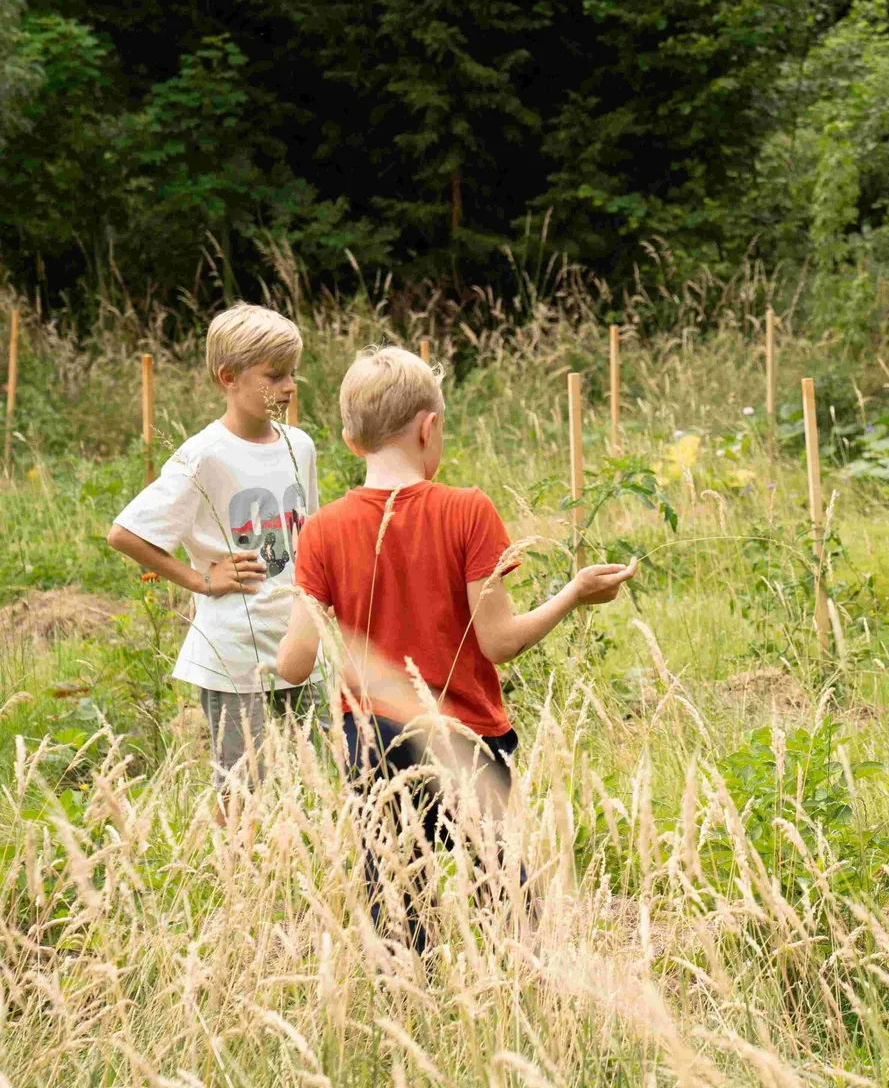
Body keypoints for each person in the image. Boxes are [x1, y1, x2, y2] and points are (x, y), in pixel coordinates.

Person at [273, 345, 636, 950]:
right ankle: (515, 992)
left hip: (373, 745)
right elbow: (500, 642)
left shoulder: (322, 531)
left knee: (397, 907)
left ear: (350, 441)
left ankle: (407, 1000)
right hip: (468, 740)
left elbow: (293, 664)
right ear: (429, 426)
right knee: (508, 901)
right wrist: (573, 594)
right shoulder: (468, 511)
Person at [107, 303, 320, 793]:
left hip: (301, 643)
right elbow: (125, 532)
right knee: (242, 787)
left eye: (293, 373)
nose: (290, 387)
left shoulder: (300, 445)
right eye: (275, 376)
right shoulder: (204, 454)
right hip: (236, 653)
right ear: (229, 377)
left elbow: (308, 534)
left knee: (320, 777)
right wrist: (201, 580)